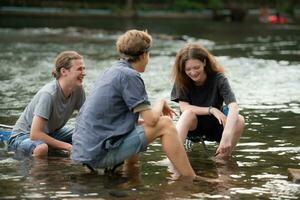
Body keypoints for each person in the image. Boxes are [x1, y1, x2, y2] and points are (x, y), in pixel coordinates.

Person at [71, 30, 200, 180]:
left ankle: (131, 177)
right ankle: (190, 177)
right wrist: (160, 102)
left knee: (136, 126)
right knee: (165, 124)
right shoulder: (129, 75)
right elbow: (152, 120)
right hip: (98, 156)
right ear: (144, 54)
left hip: (84, 153)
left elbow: (114, 119)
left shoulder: (111, 71)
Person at [171, 43, 245, 160]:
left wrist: (227, 135)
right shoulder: (181, 80)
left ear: (204, 62)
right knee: (187, 114)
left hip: (215, 126)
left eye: (196, 67)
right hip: (193, 127)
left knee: (239, 120)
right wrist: (211, 110)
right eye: (188, 69)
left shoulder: (219, 79)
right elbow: (184, 108)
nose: (193, 73)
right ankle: (174, 158)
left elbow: (234, 106)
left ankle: (221, 160)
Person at [8, 51, 86, 156]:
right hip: (23, 136)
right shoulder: (48, 94)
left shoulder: (78, 90)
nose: (84, 73)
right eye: (79, 69)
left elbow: (87, 120)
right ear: (64, 71)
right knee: (42, 148)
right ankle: (42, 171)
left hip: (51, 133)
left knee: (85, 136)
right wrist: (68, 146)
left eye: (83, 69)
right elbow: (35, 134)